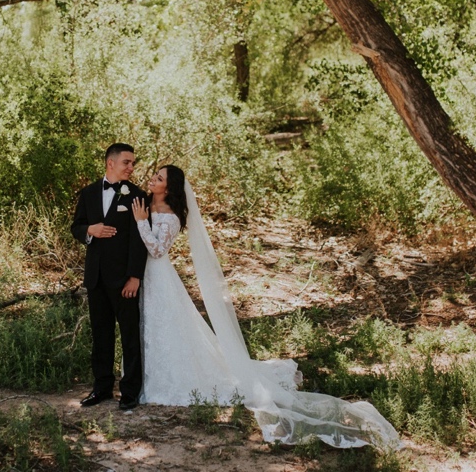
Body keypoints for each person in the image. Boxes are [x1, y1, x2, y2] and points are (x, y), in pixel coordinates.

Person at [131, 165, 402, 451]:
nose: (153, 179)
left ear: (169, 188)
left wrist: (140, 222)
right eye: (155, 175)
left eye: (159, 178)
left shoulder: (171, 217)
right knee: (155, 326)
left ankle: (166, 378)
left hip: (160, 275)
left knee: (165, 325)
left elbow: (158, 250)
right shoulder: (145, 202)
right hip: (145, 275)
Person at [71, 143, 148, 411]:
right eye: (127, 162)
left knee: (129, 335)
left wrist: (135, 276)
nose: (131, 167)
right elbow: (76, 227)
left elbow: (139, 240)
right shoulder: (90, 193)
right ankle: (101, 388)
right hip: (96, 278)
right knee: (101, 335)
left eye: (133, 163)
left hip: (124, 279)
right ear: (110, 163)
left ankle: (130, 391)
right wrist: (89, 229)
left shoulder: (137, 196)